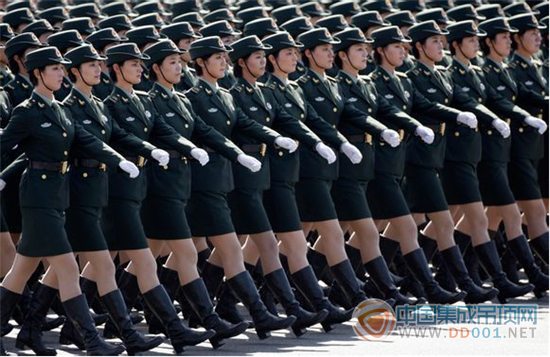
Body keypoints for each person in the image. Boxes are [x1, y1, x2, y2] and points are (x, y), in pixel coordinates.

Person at [15, 44, 165, 356]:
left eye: (100, 65)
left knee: (25, 270)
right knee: (77, 268)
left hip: (64, 196)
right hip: (49, 197)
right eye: (54, 68)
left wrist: (128, 157)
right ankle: (99, 339)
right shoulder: (34, 110)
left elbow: (92, 141)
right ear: (38, 73)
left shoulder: (65, 108)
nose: (98, 70)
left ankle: (31, 330)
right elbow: (10, 148)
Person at [102, 42, 216, 354]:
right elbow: (119, 138)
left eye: (141, 64)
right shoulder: (110, 103)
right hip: (126, 188)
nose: (139, 68)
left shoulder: (142, 101)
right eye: (133, 64)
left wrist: (190, 147)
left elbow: (165, 131)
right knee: (154, 257)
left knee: (104, 265)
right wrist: (151, 150)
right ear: (116, 68)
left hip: (142, 187)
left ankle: (91, 324)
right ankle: (195, 324)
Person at [185, 35, 297, 340]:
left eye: (225, 57)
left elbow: (246, 123)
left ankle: (201, 312)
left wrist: (274, 138)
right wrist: (239, 154)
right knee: (229, 248)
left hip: (224, 180)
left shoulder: (225, 95)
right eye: (217, 57)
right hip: (205, 182)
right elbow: (208, 134)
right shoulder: (193, 96)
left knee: (201, 253)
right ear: (200, 63)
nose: (224, 62)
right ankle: (259, 314)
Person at [141, 39, 249, 348]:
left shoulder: (182, 100)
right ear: (156, 68)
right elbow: (164, 134)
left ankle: (174, 322)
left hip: (179, 185)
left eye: (180, 61)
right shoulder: (150, 100)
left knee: (140, 259)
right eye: (172, 62)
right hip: (158, 187)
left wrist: (235, 153)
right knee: (179, 253)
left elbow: (206, 131)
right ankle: (207, 321)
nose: (179, 67)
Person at [227, 35, 330, 337]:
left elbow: (289, 121)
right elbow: (249, 125)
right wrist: (274, 139)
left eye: (263, 56)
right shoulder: (234, 93)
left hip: (263, 175)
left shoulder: (265, 91)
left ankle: (224, 305)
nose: (262, 61)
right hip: (242, 177)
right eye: (256, 57)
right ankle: (292, 308)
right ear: (242, 62)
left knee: (234, 250)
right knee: (262, 245)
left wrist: (319, 142)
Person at [262, 31, 361, 331]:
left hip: (295, 172)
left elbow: (311, 121)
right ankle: (336, 301)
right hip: (284, 173)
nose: (294, 58)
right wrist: (317, 143)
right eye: (288, 53)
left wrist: (339, 142)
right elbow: (290, 124)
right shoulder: (267, 90)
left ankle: (272, 300)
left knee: (271, 245)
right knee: (299, 239)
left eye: (295, 53)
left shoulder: (293, 88)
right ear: (272, 59)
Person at [367, 25, 467, 304]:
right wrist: (416, 126)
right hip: (381, 163)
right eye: (396, 46)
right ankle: (431, 286)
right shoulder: (374, 81)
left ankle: (362, 285)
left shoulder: (403, 80)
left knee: (370, 230)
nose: (403, 50)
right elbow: (392, 113)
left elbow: (426, 106)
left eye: (403, 46)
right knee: (402, 227)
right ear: (381, 51)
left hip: (397, 161)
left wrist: (458, 115)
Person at [404, 20, 500, 303]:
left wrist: (485, 115)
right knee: (437, 222)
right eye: (434, 42)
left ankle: (410, 280)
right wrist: (457, 115)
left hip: (437, 157)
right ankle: (465, 284)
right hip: (417, 158)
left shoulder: (443, 74)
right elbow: (426, 105)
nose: (440, 45)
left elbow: (463, 99)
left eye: (441, 41)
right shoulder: (412, 75)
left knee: (407, 227)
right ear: (419, 46)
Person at [441, 19, 535, 302]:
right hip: (457, 155)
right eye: (470, 40)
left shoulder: (476, 71)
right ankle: (503, 278)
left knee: (447, 223)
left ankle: (445, 276)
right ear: (456, 44)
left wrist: (520, 114)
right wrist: (494, 118)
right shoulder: (451, 73)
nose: (476, 43)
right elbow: (468, 103)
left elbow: (495, 99)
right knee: (477, 217)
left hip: (476, 152)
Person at [294, 27, 387, 308]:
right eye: (324, 49)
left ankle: (299, 293)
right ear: (308, 54)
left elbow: (351, 114)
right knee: (325, 234)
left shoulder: (331, 84)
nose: (330, 53)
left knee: (290, 240)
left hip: (330, 168)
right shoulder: (302, 86)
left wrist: (380, 130)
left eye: (331, 48)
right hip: (310, 168)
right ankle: (356, 296)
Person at [477, 17, 548, 297]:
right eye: (504, 37)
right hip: (510, 149)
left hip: (525, 148)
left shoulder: (510, 68)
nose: (539, 38)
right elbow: (511, 102)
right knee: (522, 212)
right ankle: (530, 272)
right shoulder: (492, 70)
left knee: (492, 217)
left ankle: (499, 272)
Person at [508, 13, 549, 263]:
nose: (538, 37)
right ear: (516, 38)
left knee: (537, 208)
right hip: (519, 146)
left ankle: (508, 262)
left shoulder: (538, 65)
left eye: (539, 32)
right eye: (531, 33)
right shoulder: (512, 68)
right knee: (530, 210)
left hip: (538, 146)